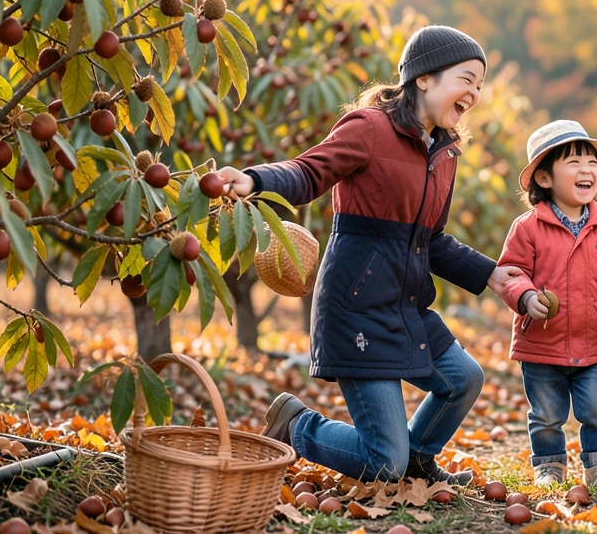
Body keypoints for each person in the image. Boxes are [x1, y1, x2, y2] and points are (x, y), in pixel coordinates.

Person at [216, 26, 522, 485]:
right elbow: (309, 170)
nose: (475, 93)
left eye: (480, 85)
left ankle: (417, 462)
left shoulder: (446, 153)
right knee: (382, 464)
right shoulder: (370, 128)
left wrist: (491, 275)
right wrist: (257, 179)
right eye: (467, 79)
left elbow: (432, 239)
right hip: (356, 308)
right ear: (424, 77)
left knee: (464, 379)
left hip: (405, 308)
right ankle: (298, 426)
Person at [496, 121, 597, 489]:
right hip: (541, 344)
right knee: (547, 414)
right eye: (574, 163)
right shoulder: (528, 227)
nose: (587, 170)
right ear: (546, 178)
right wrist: (526, 297)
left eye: (591, 163)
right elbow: (511, 271)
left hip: (592, 340)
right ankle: (549, 465)